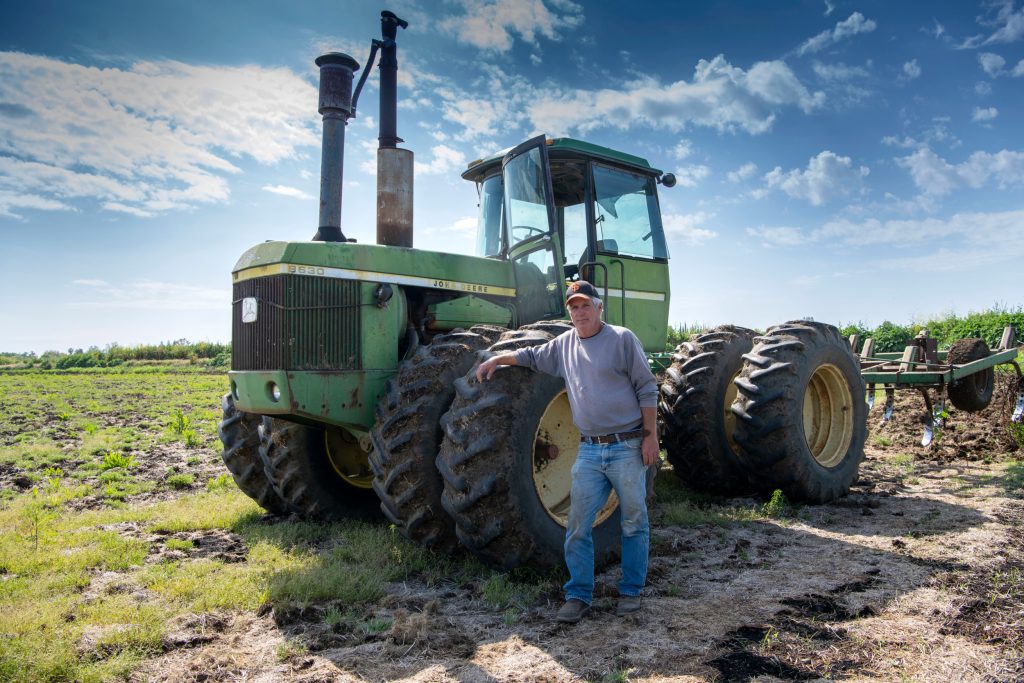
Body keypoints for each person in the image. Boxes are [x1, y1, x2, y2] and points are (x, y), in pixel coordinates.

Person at [475, 280, 659, 623]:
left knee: (634, 521)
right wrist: (498, 358)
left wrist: (651, 437)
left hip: (627, 446)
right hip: (589, 451)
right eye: (573, 307)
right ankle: (578, 594)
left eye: (585, 305)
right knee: (577, 525)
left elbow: (648, 388)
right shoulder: (563, 344)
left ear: (599, 307)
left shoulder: (622, 339)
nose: (579, 312)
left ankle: (631, 590)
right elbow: (530, 356)